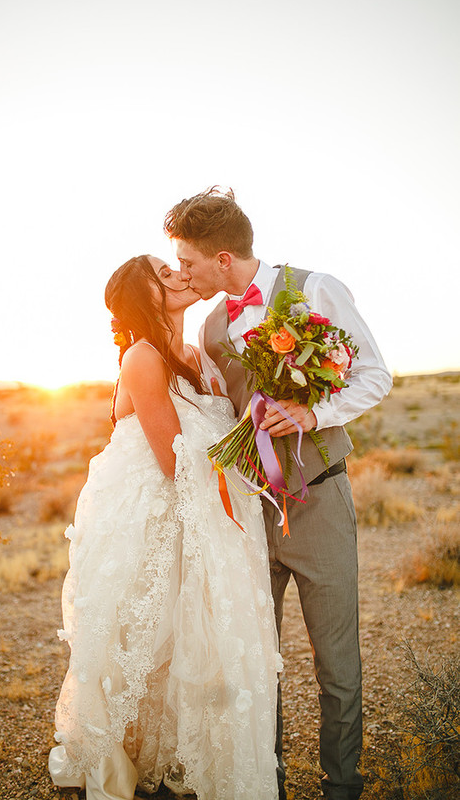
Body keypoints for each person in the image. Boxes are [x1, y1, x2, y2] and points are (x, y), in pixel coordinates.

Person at [164, 188, 392, 800]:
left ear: (221, 258)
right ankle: (269, 782)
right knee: (256, 663)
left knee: (336, 662)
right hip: (247, 513)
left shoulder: (316, 289)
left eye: (187, 262)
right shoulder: (213, 326)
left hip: (319, 499)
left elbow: (375, 374)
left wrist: (314, 415)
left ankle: (342, 785)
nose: (182, 274)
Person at [48, 254, 282, 800]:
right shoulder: (142, 358)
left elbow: (223, 435)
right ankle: (122, 762)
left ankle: (185, 760)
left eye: (176, 268)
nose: (179, 276)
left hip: (201, 517)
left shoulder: (199, 356)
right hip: (151, 523)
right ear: (143, 296)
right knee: (145, 642)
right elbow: (175, 460)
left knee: (193, 641)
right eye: (164, 273)